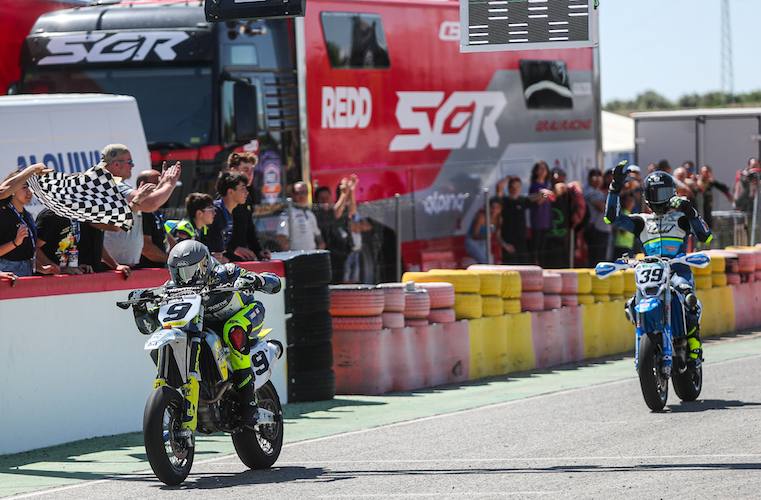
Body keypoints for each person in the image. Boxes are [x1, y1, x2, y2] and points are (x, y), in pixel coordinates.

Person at [134, 239, 282, 429]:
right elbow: (151, 325)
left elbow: (274, 282)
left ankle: (248, 404)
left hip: (244, 313)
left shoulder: (226, 272)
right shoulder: (172, 288)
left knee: (233, 329)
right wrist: (141, 309)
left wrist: (256, 280)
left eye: (188, 272)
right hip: (204, 327)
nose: (183, 278)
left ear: (204, 265)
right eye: (178, 272)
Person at [605, 161, 712, 367]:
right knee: (632, 304)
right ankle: (647, 340)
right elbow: (611, 218)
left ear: (672, 193)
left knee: (687, 297)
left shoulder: (682, 218)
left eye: (663, 193)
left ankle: (693, 343)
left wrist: (692, 212)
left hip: (677, 270)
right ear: (646, 196)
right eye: (654, 193)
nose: (658, 199)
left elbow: (706, 236)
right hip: (651, 272)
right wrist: (615, 186)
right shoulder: (641, 221)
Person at [100, 144, 181, 268]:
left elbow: (148, 202)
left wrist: (163, 185)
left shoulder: (117, 185)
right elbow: (150, 204)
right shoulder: (113, 186)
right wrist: (169, 184)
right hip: (114, 267)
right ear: (116, 164)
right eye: (130, 162)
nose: (132, 165)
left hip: (123, 266)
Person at [206, 171, 259, 262]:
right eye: (243, 189)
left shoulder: (229, 212)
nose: (247, 193)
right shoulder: (215, 212)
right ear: (230, 192)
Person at [225, 152, 270, 261]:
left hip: (242, 259)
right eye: (245, 169)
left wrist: (258, 251)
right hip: (224, 261)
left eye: (252, 170)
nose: (250, 174)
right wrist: (232, 248)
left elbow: (249, 228)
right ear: (233, 170)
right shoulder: (225, 196)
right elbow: (217, 232)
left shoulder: (248, 196)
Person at [0, 173, 46, 276]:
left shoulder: (28, 216)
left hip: (27, 271)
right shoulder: (2, 214)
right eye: (24, 187)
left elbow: (27, 252)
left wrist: (42, 268)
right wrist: (15, 242)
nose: (29, 191)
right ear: (11, 190)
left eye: (31, 187)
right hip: (6, 273)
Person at [136, 169, 175, 268]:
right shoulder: (143, 210)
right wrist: (170, 261)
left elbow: (165, 235)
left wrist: (180, 253)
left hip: (158, 268)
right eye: (158, 182)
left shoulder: (154, 209)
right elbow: (146, 247)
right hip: (146, 271)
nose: (162, 186)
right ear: (143, 185)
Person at [277, 181, 324, 251]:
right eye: (298, 193)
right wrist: (290, 255)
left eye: (305, 192)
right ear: (292, 194)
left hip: (311, 255)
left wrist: (320, 246)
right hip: (296, 257)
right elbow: (281, 236)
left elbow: (318, 235)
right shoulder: (287, 214)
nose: (302, 196)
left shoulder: (310, 213)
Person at [497, 177, 533, 264]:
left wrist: (545, 194)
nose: (515, 189)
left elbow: (539, 198)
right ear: (509, 188)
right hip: (509, 242)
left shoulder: (523, 200)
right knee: (510, 268)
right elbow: (499, 187)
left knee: (524, 266)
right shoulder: (504, 201)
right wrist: (508, 177)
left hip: (522, 241)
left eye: (517, 187)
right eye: (512, 187)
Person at [584, 168, 611, 266]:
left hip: (602, 229)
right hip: (595, 229)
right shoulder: (590, 192)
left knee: (602, 259)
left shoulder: (599, 192)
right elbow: (602, 208)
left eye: (599, 176)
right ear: (589, 179)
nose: (597, 179)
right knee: (596, 260)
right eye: (594, 176)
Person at [528, 161, 552, 266]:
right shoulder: (534, 186)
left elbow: (552, 198)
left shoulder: (548, 184)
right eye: (540, 169)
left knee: (544, 246)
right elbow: (537, 201)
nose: (543, 171)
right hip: (537, 220)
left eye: (544, 169)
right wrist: (544, 195)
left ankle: (543, 265)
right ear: (536, 171)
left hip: (546, 219)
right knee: (536, 245)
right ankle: (535, 264)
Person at [465, 197, 501, 264]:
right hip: (473, 242)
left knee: (490, 261)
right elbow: (474, 235)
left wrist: (506, 245)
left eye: (497, 208)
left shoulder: (499, 219)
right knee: (484, 260)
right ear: (488, 208)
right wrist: (485, 236)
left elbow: (497, 236)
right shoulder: (482, 217)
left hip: (484, 242)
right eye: (492, 207)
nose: (494, 210)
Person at [696, 165, 732, 230]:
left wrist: (729, 197)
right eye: (704, 172)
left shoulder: (711, 182)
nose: (705, 174)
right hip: (698, 205)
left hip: (707, 205)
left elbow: (723, 188)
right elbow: (700, 188)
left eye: (707, 172)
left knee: (708, 220)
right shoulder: (696, 180)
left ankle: (708, 233)